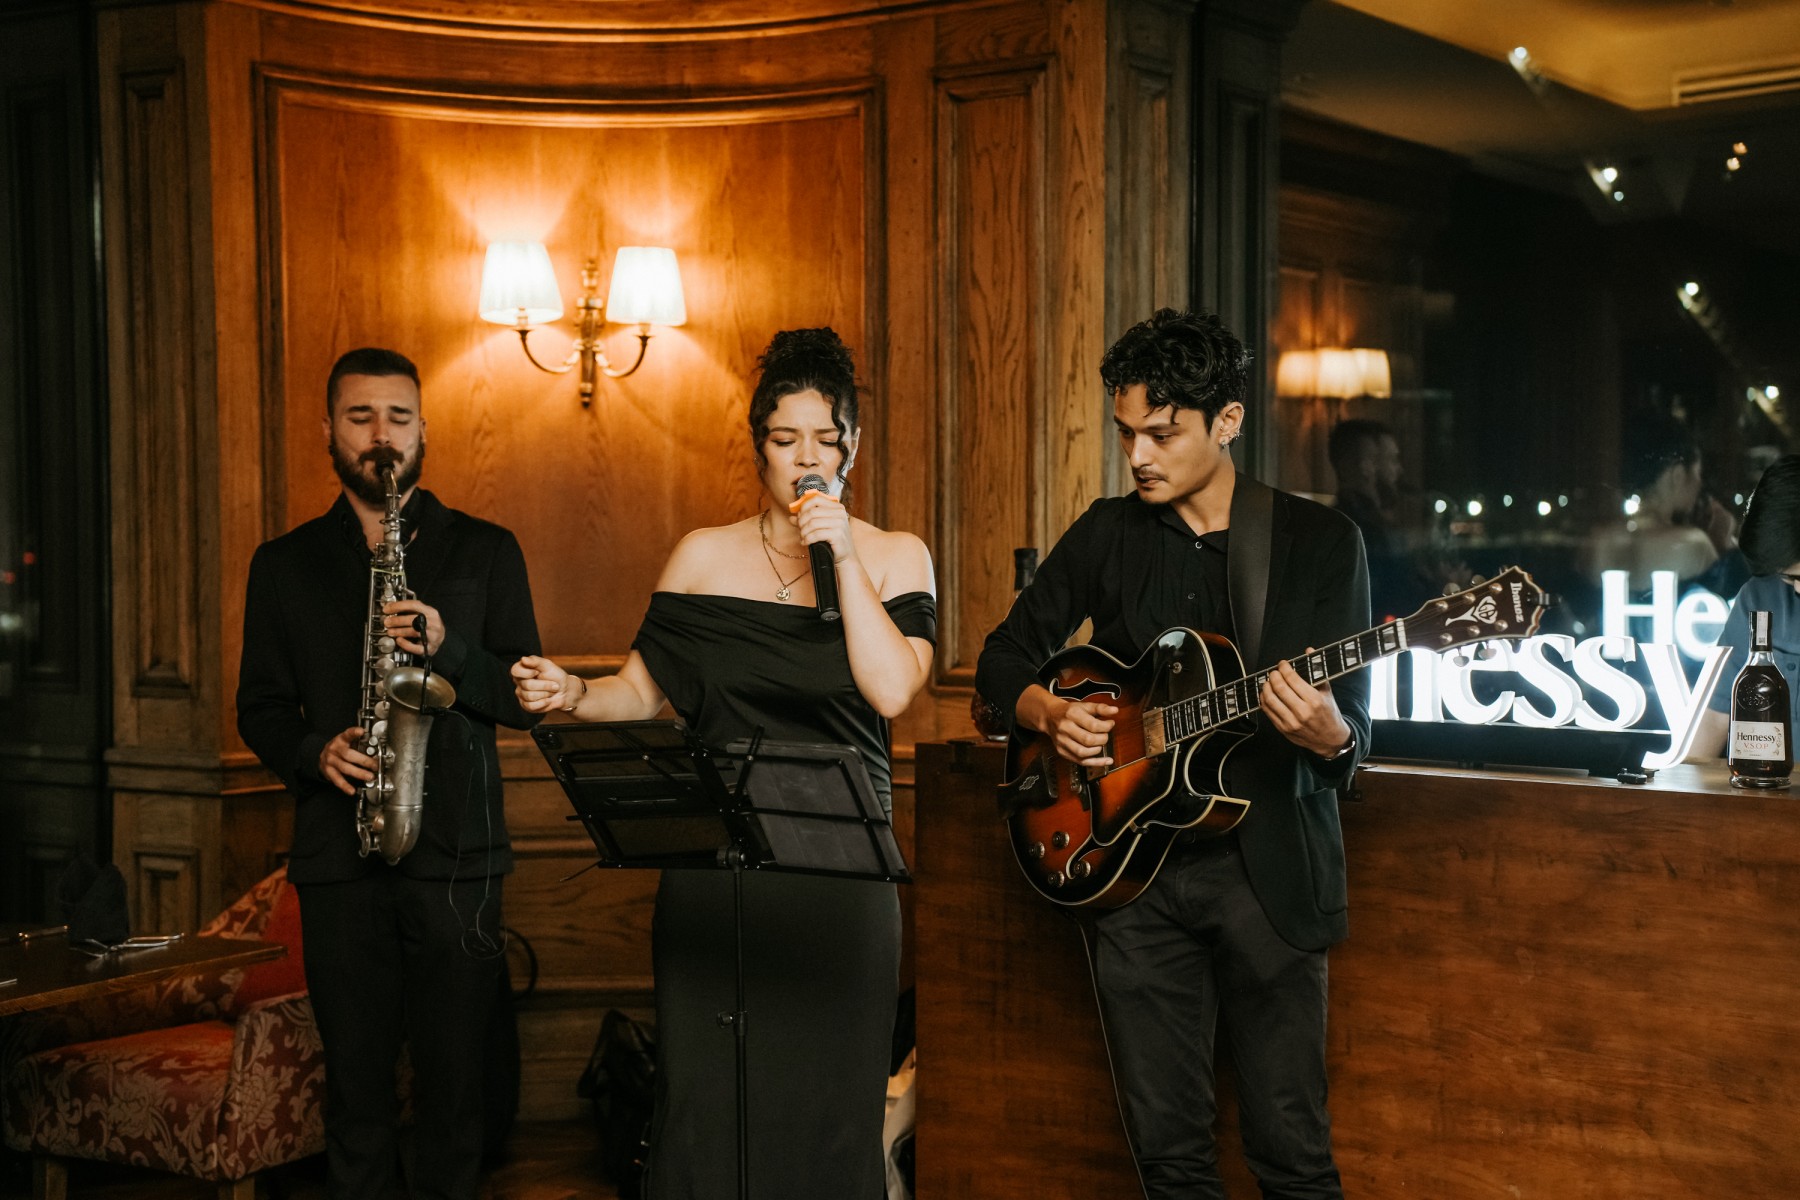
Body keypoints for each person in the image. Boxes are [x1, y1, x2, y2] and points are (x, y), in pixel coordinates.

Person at [510, 327, 936, 1199]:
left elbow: (892, 690)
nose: (805, 461)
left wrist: (842, 556)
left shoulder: (896, 556)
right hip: (718, 884)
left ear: (853, 448)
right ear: (759, 449)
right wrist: (569, 693)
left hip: (839, 891)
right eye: (785, 441)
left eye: (825, 441)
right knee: (707, 1119)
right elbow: (637, 693)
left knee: (827, 1126)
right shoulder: (702, 557)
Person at [975, 307, 1369, 1199]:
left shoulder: (1317, 544)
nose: (1139, 457)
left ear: (1227, 423)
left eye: (1163, 433)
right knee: (1169, 1162)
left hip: (1266, 874)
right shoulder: (1108, 531)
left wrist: (1330, 734)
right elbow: (1002, 659)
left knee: (1293, 1159)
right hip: (1130, 873)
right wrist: (1047, 711)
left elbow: (1357, 741)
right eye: (1127, 434)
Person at [236, 347, 542, 1200]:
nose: (382, 437)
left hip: (459, 861)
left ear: (423, 429)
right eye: (360, 417)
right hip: (341, 859)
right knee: (358, 1099)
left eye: (399, 418)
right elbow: (258, 708)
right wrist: (312, 752)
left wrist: (453, 649)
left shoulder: (486, 550)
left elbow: (523, 697)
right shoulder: (284, 565)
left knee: (455, 1101)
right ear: (328, 432)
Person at [1687, 454, 1800, 761]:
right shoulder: (1761, 600)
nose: (1798, 589)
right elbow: (1713, 717)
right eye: (1789, 579)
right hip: (1775, 799)